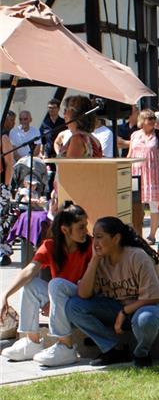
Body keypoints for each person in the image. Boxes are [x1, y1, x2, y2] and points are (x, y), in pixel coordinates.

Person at [65, 216, 159, 367]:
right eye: (94, 237)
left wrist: (124, 312)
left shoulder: (137, 256)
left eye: (100, 237)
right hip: (117, 308)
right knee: (73, 306)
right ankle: (113, 349)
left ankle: (141, 353)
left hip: (150, 307)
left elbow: (153, 297)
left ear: (116, 238)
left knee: (145, 320)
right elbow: (83, 294)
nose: (95, 242)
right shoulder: (100, 259)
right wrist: (94, 260)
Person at [0, 203, 91, 366]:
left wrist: (55, 301)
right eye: (81, 227)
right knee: (30, 285)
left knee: (55, 284)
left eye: (85, 225)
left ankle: (66, 346)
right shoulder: (50, 246)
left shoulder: (90, 246)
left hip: (83, 299)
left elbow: (91, 286)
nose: (86, 230)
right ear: (65, 230)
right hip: (59, 293)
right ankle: (32, 342)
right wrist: (5, 295)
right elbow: (29, 270)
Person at [127, 109, 159, 244]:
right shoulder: (135, 135)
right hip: (136, 174)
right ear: (142, 121)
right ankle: (137, 233)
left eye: (153, 119)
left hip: (153, 174)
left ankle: (152, 235)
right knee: (136, 205)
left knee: (154, 205)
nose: (152, 121)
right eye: (149, 119)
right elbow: (130, 154)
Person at [0, 120, 14, 266]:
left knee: (1, 220)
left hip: (1, 184)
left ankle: (2, 252)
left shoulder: (3, 137)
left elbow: (9, 162)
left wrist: (6, 185)